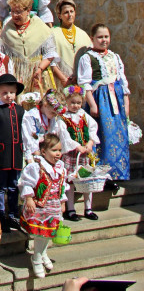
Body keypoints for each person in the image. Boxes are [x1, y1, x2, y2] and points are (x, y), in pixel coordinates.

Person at [77, 23, 130, 186]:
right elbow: (85, 83)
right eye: (100, 37)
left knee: (118, 137)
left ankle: (117, 174)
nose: (104, 40)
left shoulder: (115, 56)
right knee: (103, 137)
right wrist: (92, 104)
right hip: (101, 100)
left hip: (117, 100)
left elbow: (123, 81)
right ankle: (102, 175)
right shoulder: (88, 57)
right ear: (92, 39)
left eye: (106, 37)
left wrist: (126, 106)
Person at [18, 133, 68, 278]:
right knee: (41, 233)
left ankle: (43, 253)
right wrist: (28, 198)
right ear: (44, 152)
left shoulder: (60, 167)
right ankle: (36, 259)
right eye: (54, 151)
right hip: (40, 206)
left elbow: (62, 186)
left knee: (48, 233)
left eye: (59, 150)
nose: (58, 154)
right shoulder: (36, 167)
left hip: (53, 205)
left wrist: (62, 201)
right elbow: (26, 183)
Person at [0, 73, 26, 233]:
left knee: (14, 185)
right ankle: (0, 214)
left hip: (17, 154)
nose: (8, 96)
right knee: (0, 186)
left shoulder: (21, 110)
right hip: (1, 153)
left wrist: (28, 153)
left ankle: (13, 213)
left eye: (11, 92)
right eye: (5, 93)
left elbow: (26, 133)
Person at [0, 0, 58, 92]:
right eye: (12, 11)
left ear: (28, 10)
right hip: (17, 75)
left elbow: (50, 52)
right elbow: (1, 54)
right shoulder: (7, 29)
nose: (14, 15)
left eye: (18, 12)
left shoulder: (39, 25)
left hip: (37, 73)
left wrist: (39, 69)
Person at [57, 85, 100, 222]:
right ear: (66, 102)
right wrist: (76, 146)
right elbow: (64, 136)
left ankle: (88, 208)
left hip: (85, 154)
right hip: (71, 154)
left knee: (87, 180)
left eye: (78, 103)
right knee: (71, 181)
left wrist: (90, 143)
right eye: (72, 103)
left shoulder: (84, 115)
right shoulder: (63, 117)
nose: (75, 106)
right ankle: (71, 209)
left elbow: (93, 128)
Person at [50, 0, 92, 87]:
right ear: (59, 15)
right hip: (61, 80)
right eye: (66, 12)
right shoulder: (52, 33)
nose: (69, 15)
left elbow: (90, 57)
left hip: (80, 80)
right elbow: (49, 59)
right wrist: (63, 78)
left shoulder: (83, 34)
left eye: (71, 11)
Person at [22, 90, 61, 163]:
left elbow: (52, 134)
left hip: (45, 154)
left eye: (56, 114)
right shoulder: (32, 115)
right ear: (45, 104)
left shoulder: (51, 119)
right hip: (32, 154)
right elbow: (28, 138)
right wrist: (32, 153)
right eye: (53, 113)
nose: (54, 116)